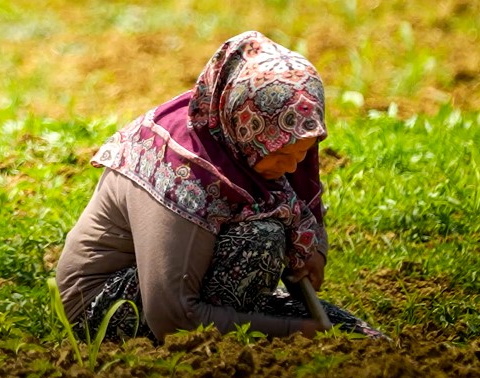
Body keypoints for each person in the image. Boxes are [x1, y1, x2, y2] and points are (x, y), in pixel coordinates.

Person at [55, 31, 380, 340]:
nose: (294, 166)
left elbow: (295, 199)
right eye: (283, 153)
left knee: (352, 334)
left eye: (303, 151)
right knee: (260, 240)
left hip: (190, 281)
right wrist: (293, 333)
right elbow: (171, 316)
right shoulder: (184, 167)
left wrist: (309, 251)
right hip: (104, 305)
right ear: (248, 127)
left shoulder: (246, 138)